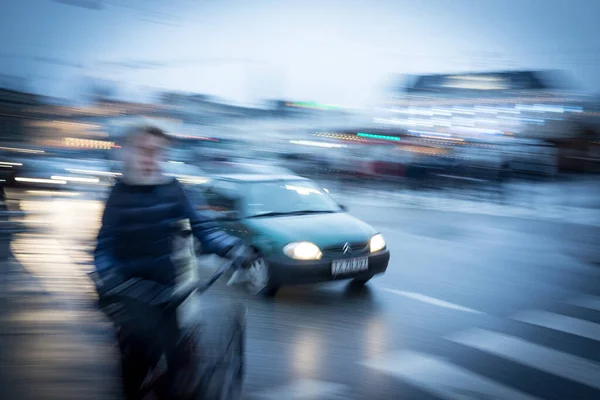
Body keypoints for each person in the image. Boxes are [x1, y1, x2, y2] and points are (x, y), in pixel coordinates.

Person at [92, 125, 252, 399]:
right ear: (129, 153)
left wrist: (234, 248)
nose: (151, 158)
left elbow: (203, 228)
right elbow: (104, 246)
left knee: (183, 372)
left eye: (158, 152)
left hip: (170, 296)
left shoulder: (173, 189)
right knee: (133, 375)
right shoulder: (119, 195)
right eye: (144, 150)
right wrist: (110, 278)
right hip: (132, 300)